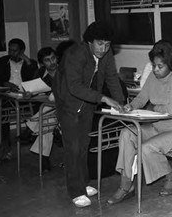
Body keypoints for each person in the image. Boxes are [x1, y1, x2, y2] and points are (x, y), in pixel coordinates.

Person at [107, 40, 172, 204]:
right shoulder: (152, 76)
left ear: (170, 64)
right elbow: (142, 98)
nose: (156, 70)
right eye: (154, 65)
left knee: (146, 147)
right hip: (157, 127)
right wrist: (131, 106)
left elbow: (171, 110)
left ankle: (170, 177)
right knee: (126, 133)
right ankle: (126, 184)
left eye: (160, 66)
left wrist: (153, 109)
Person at [53, 21, 124, 208]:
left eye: (107, 44)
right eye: (100, 44)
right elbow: (74, 86)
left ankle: (83, 183)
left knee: (84, 145)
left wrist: (121, 103)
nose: (104, 48)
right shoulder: (74, 54)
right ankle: (76, 191)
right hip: (69, 103)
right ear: (90, 42)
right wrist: (104, 98)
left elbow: (112, 78)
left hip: (88, 103)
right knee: (73, 148)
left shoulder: (106, 54)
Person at [0, 38, 39, 160]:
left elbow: (36, 77)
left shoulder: (30, 63)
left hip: (25, 94)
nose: (11, 53)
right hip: (7, 95)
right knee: (2, 110)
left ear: (21, 51)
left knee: (39, 106)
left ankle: (32, 134)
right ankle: (5, 145)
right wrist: (6, 83)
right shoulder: (1, 61)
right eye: (10, 50)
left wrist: (26, 61)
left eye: (15, 51)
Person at [25, 47, 59, 171]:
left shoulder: (66, 70)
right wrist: (30, 93)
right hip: (50, 110)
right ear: (42, 63)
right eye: (47, 60)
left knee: (46, 115)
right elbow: (34, 90)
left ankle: (30, 127)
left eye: (53, 58)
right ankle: (44, 160)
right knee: (47, 121)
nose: (52, 62)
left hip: (66, 109)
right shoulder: (39, 73)